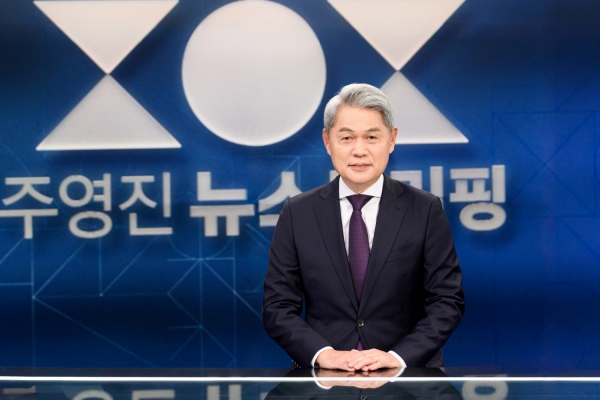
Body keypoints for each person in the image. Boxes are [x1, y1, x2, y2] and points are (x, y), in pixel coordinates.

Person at [263, 83, 464, 371]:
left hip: (408, 376)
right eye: (346, 138)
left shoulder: (425, 209)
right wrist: (324, 355)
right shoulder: (298, 213)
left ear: (392, 139)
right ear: (327, 141)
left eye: (372, 137)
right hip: (325, 377)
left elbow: (447, 301)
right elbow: (277, 307)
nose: (359, 151)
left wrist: (397, 357)